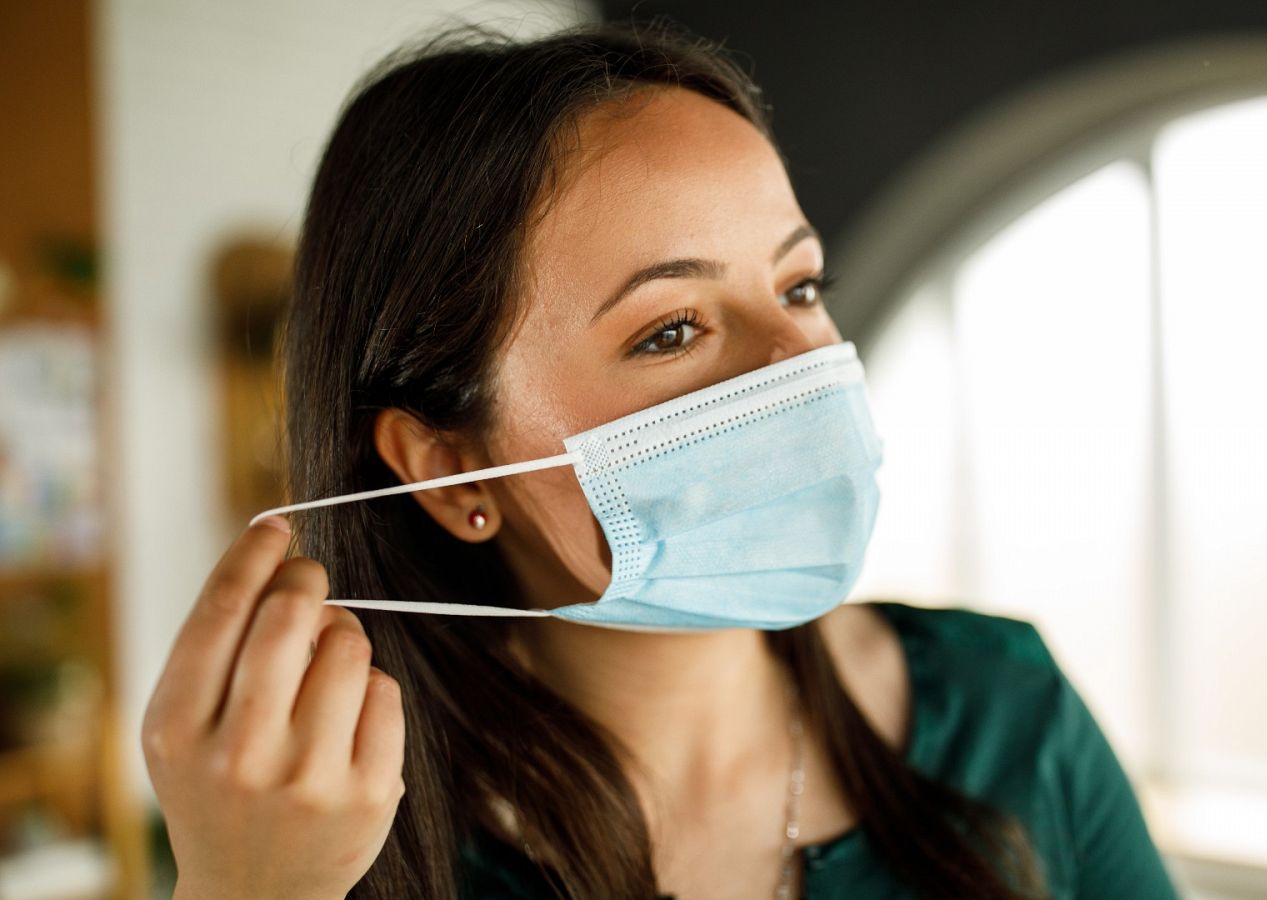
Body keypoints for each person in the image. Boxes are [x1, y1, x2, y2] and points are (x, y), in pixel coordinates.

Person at [139, 18, 1180, 900]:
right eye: (671, 330)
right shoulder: (323, 836)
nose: (798, 368)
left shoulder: (1008, 712)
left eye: (798, 288)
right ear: (442, 460)